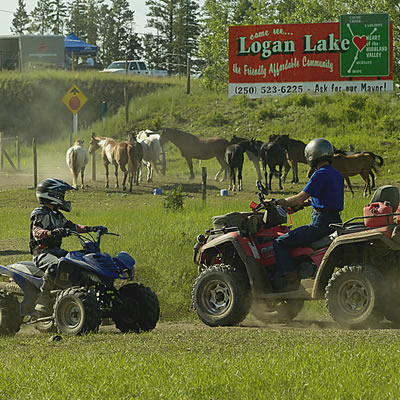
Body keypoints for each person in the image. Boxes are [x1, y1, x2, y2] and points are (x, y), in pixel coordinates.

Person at [271, 138, 344, 292]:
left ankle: (290, 280)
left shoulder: (319, 175)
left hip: (320, 224)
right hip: (335, 221)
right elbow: (326, 197)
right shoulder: (337, 174)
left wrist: (278, 202)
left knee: (280, 242)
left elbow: (299, 197)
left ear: (311, 156)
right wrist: (306, 204)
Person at [31, 178, 102, 315]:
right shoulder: (40, 213)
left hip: (56, 251)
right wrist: (51, 232)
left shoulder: (58, 215)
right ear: (52, 195)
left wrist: (93, 228)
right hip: (42, 253)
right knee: (56, 266)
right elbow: (36, 232)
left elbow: (73, 227)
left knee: (77, 263)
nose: (63, 198)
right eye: (61, 195)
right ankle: (43, 298)